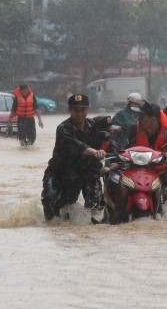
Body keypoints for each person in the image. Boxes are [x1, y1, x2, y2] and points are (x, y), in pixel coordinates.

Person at [41, 93, 113, 221]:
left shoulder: (94, 126)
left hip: (86, 171)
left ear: (87, 109)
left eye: (83, 110)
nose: (80, 114)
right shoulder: (63, 129)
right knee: (52, 204)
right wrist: (94, 152)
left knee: (96, 206)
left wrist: (110, 165)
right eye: (76, 110)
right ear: (69, 110)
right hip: (60, 172)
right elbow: (76, 145)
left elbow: (112, 141)